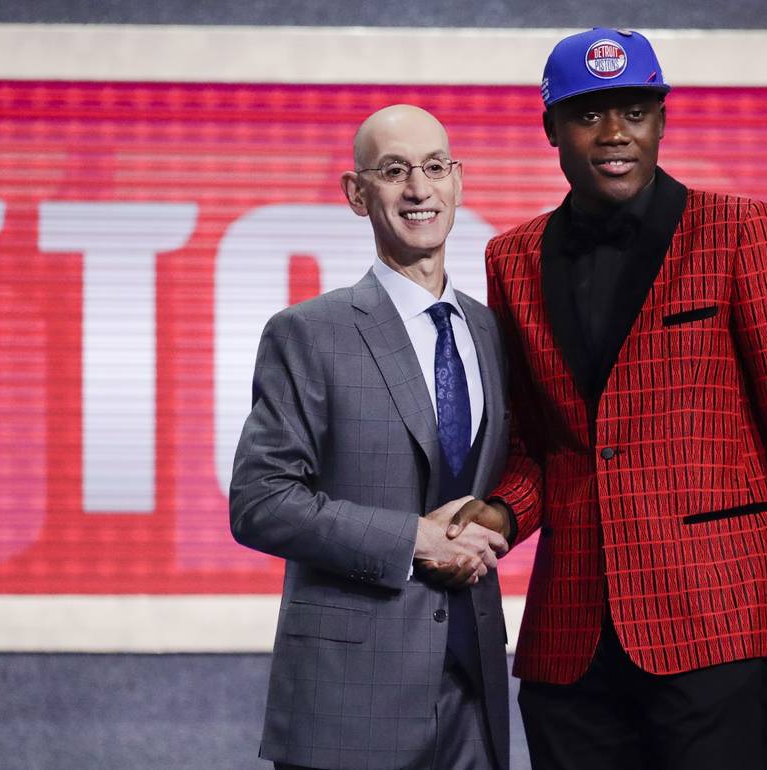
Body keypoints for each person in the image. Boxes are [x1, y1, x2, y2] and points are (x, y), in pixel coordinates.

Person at [448, 28, 767, 769]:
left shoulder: (741, 231)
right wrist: (504, 510)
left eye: (635, 112)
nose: (615, 135)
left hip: (712, 620)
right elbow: (538, 450)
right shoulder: (510, 257)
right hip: (570, 638)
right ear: (550, 128)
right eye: (588, 115)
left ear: (662, 121)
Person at [229, 104, 511, 770]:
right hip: (347, 707)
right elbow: (260, 500)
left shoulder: (495, 333)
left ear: (459, 183)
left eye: (435, 167)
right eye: (394, 171)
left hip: (474, 700)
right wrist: (412, 540)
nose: (419, 189)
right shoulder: (309, 332)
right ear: (358, 195)